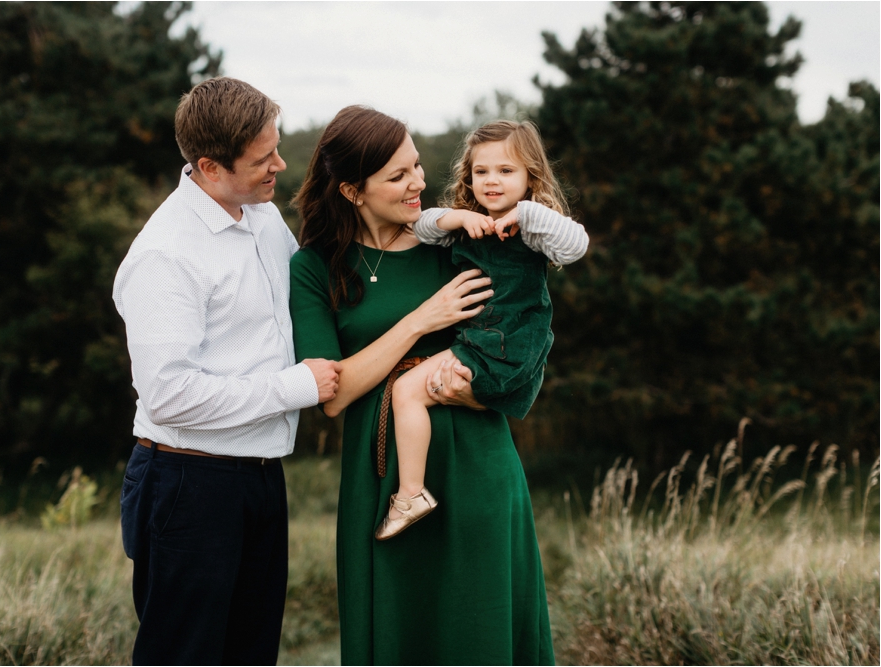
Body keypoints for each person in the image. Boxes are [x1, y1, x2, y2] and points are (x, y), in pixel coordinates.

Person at [289, 105, 556, 664]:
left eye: (415, 166)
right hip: (384, 477)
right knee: (398, 632)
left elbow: (527, 351)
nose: (417, 183)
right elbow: (333, 395)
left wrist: (469, 391)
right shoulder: (316, 269)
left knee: (478, 631)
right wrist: (421, 320)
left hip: (477, 462)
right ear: (352, 192)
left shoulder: (459, 243)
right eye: (397, 176)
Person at [112, 77, 342, 666]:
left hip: (260, 477)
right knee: (185, 655)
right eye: (264, 158)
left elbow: (306, 294)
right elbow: (168, 395)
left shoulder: (261, 217)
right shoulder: (166, 255)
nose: (280, 166)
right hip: (189, 485)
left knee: (251, 653)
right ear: (210, 166)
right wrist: (296, 387)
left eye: (277, 146)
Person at [376, 120, 589, 539]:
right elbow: (420, 225)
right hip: (483, 344)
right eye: (481, 172)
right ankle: (418, 490)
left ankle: (410, 495)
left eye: (507, 171)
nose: (492, 181)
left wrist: (525, 211)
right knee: (425, 390)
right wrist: (455, 218)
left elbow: (576, 245)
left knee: (405, 391)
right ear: (468, 176)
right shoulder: (467, 224)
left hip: (503, 347)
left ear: (530, 176)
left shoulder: (534, 229)